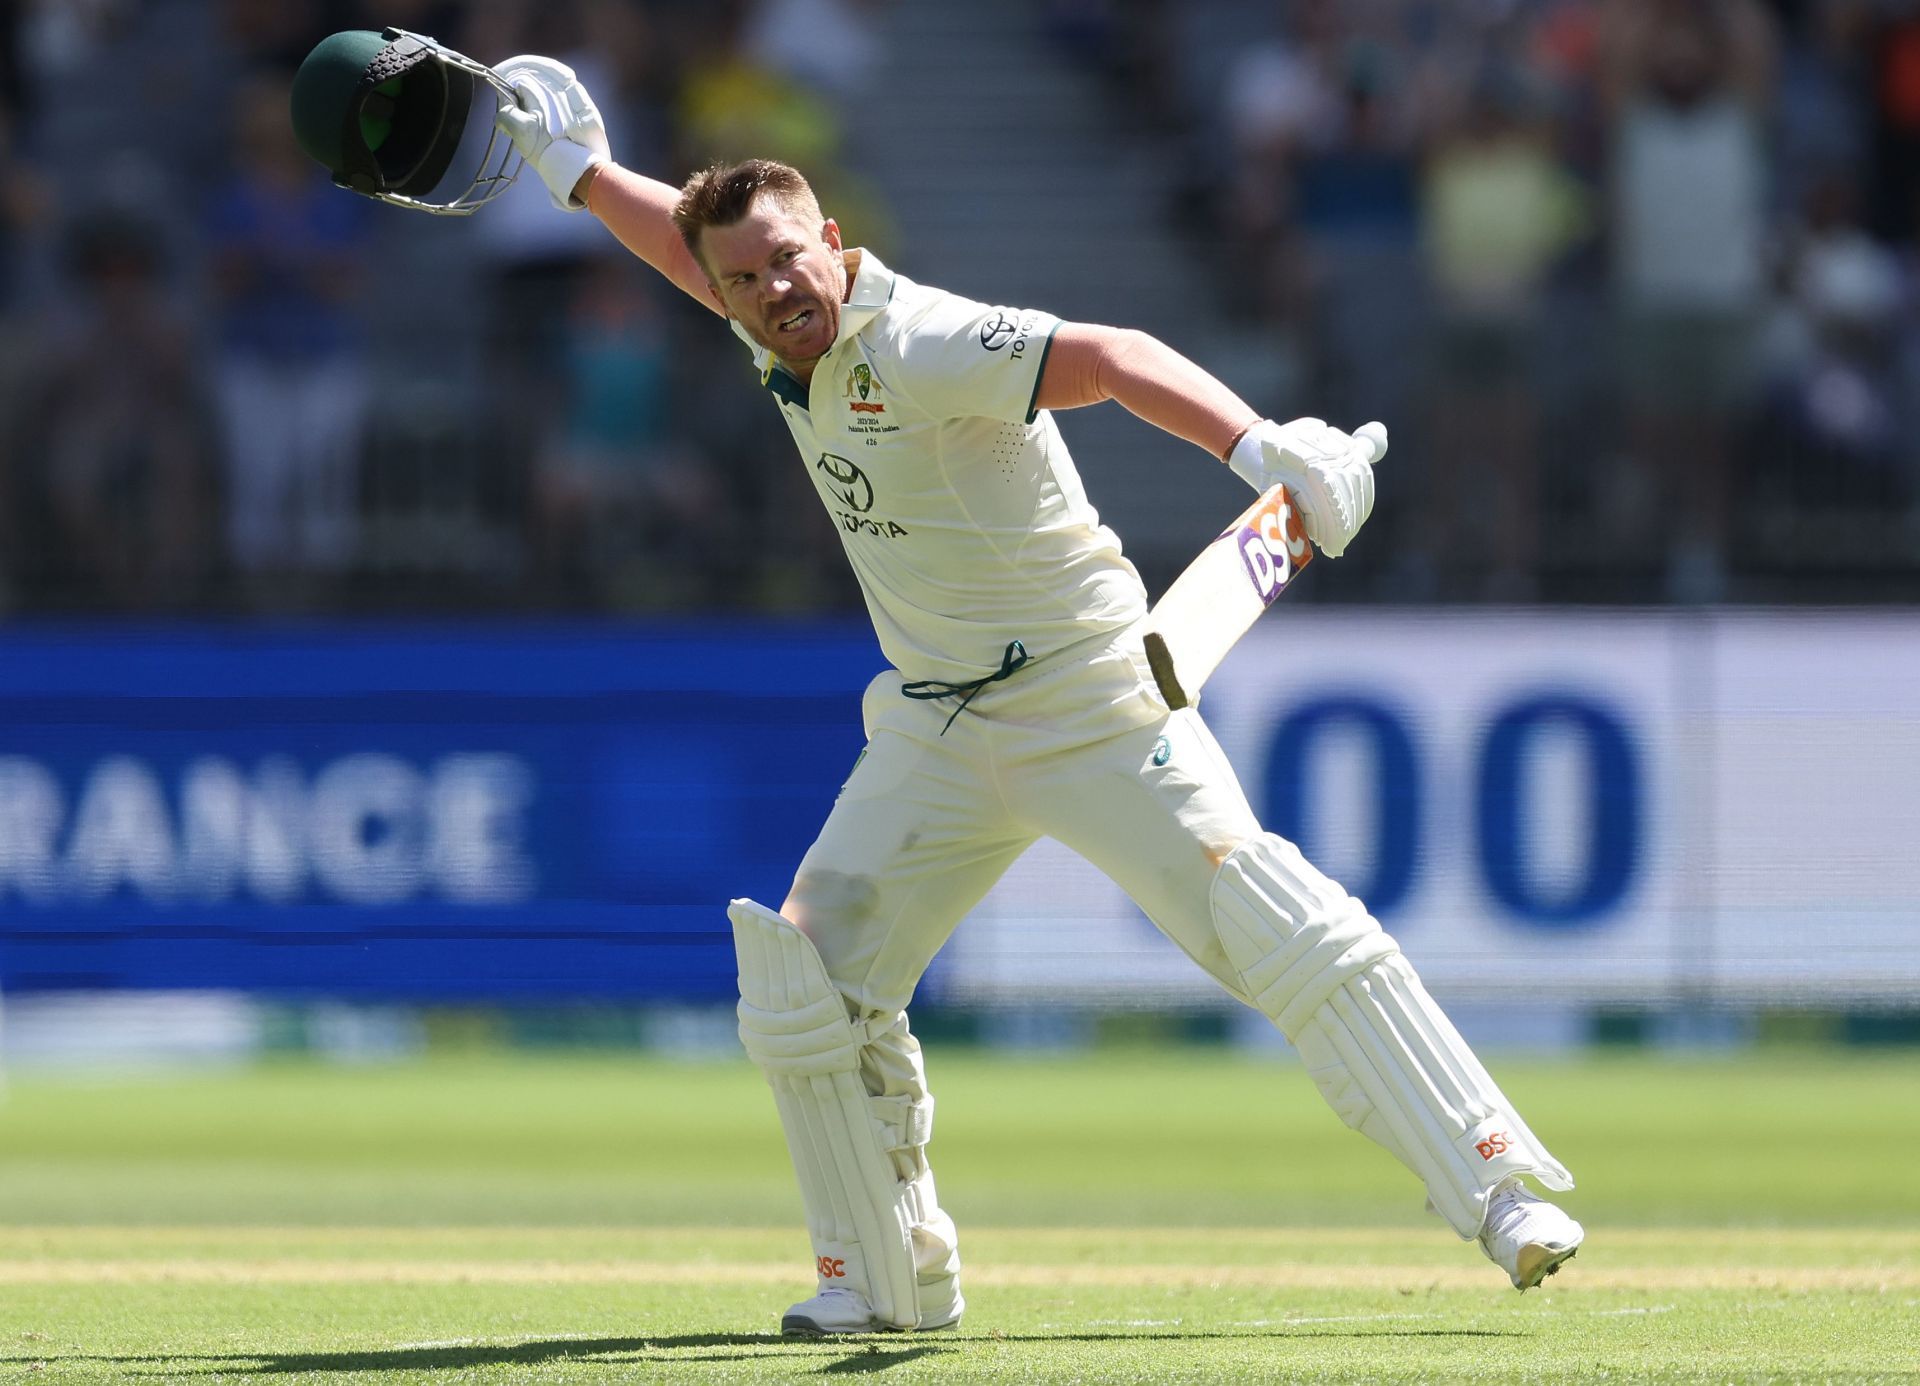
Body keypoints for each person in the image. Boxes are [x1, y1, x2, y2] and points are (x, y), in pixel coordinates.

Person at [491, 55, 1585, 1337]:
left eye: (789, 259)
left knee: (1272, 921)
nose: (771, 289)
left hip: (1092, 701)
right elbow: (693, 256)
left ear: (835, 245)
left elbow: (1114, 357)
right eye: (743, 279)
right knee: (805, 979)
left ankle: (1501, 1184)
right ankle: (888, 1277)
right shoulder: (769, 327)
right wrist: (580, 175)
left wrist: (1265, 450)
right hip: (937, 726)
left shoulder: (925, 340)